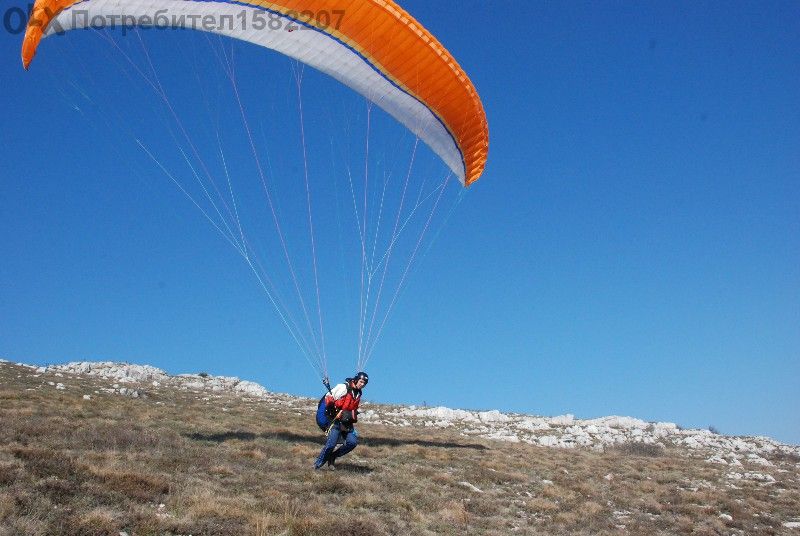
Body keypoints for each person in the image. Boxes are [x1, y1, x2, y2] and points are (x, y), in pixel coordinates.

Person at [314, 371, 368, 470]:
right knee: (331, 444)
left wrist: (354, 412)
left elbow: (351, 407)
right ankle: (317, 465)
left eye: (364, 383)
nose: (362, 384)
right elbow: (328, 398)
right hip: (334, 419)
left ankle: (332, 457)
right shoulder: (343, 387)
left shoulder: (358, 393)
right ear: (356, 380)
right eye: (361, 381)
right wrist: (334, 411)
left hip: (346, 422)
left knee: (352, 442)